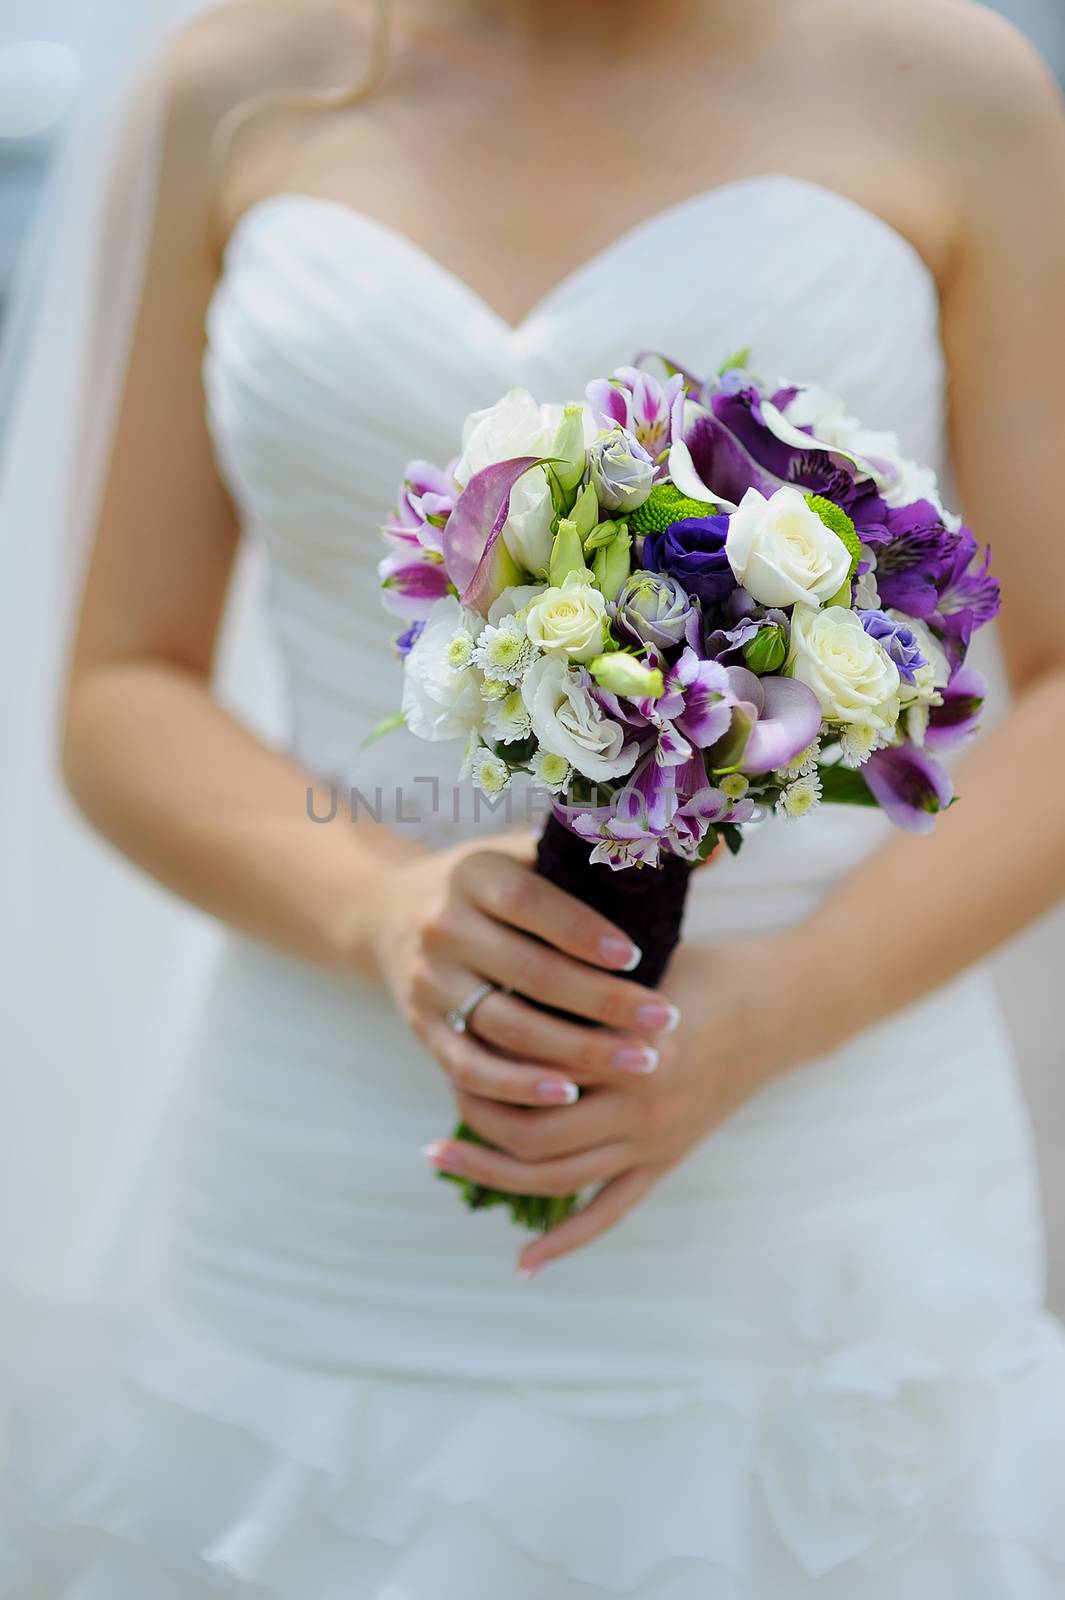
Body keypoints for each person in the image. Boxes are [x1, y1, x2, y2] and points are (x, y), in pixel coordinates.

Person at [3, 0, 1065, 1592]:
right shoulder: (230, 85)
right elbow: (117, 687)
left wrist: (776, 1008)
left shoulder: (945, 76)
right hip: (327, 1197)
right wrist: (374, 907)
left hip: (820, 1179)